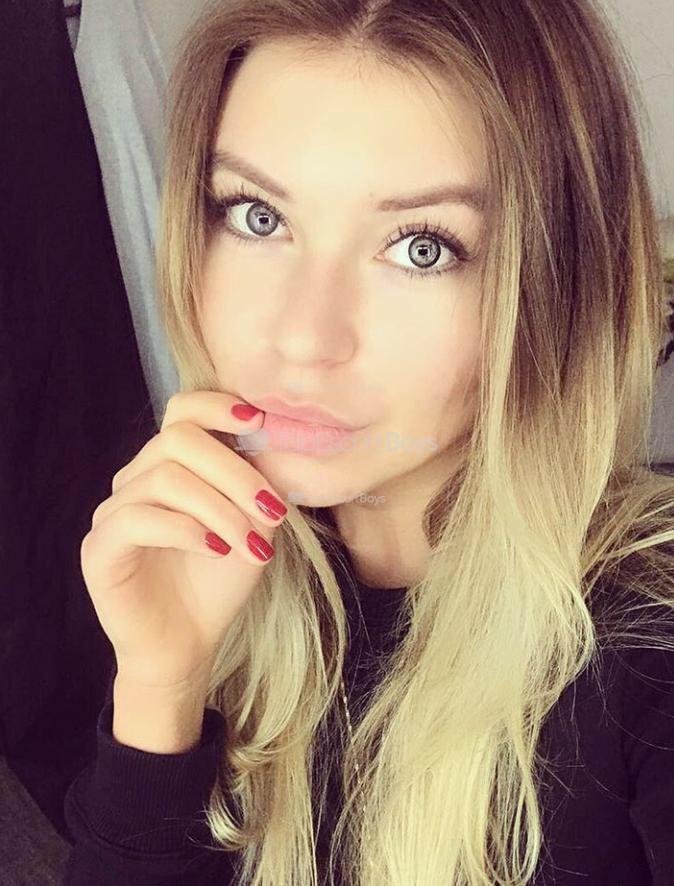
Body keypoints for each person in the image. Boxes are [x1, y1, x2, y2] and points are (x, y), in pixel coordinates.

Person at [62, 0, 674, 884]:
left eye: (421, 248)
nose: (303, 337)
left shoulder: (648, 642)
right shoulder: (205, 580)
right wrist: (162, 683)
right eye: (257, 216)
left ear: (557, 290)